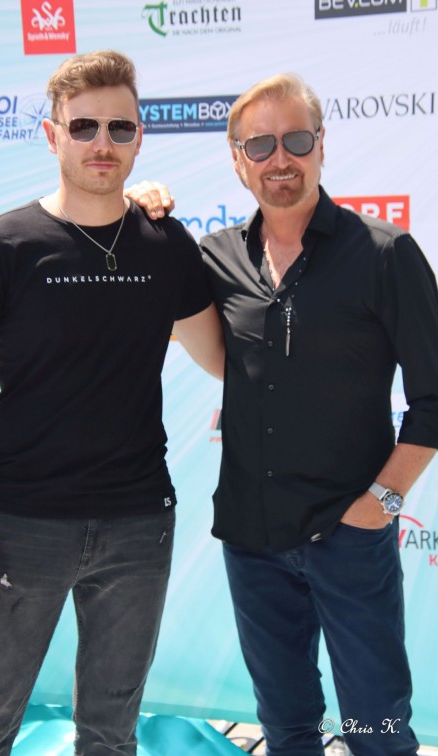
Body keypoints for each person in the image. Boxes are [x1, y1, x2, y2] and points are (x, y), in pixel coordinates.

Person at [127, 73, 438, 755]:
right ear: (237, 160)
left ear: (321, 145)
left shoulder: (385, 254)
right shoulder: (215, 258)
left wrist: (382, 502)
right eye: (260, 145)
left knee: (378, 727)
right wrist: (140, 208)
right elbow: (203, 337)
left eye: (296, 140)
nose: (280, 159)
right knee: (287, 728)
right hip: (253, 538)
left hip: (349, 534)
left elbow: (435, 400)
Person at [0, 50, 224, 755]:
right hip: (19, 526)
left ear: (139, 138)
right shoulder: (3, 244)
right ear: (52, 134)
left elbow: (223, 358)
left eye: (119, 128)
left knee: (111, 736)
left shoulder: (165, 242)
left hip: (138, 525)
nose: (102, 143)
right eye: (84, 126)